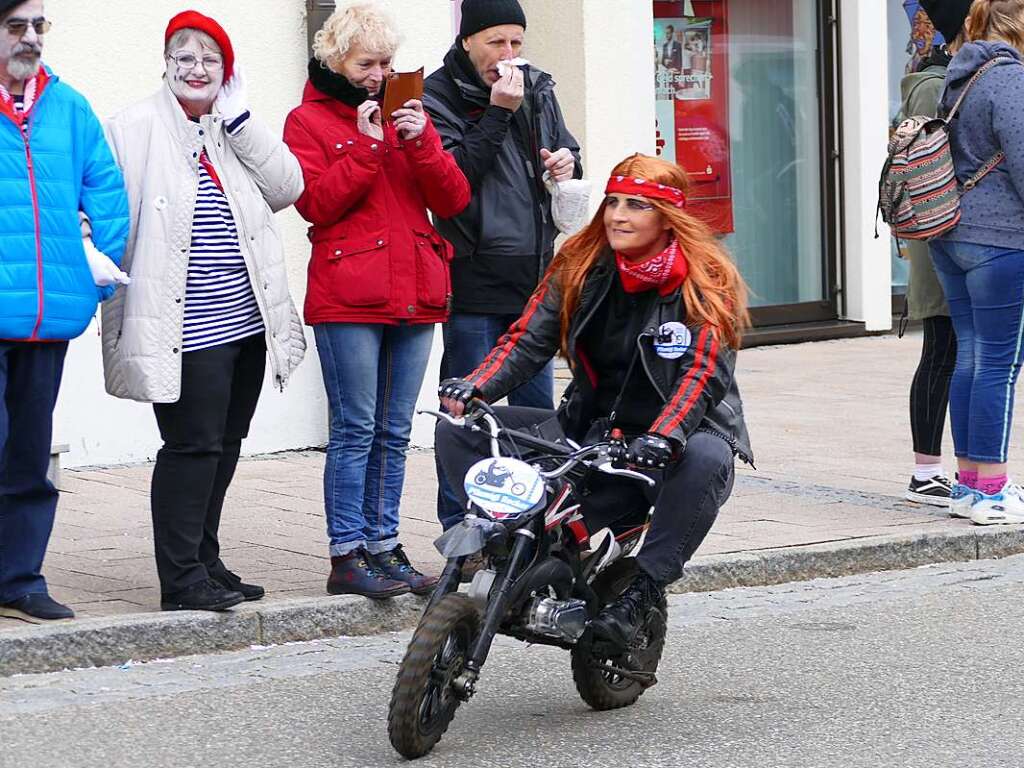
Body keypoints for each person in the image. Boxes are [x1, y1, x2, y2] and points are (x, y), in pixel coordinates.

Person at [436, 153, 752, 651]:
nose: (618, 216)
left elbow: (702, 374)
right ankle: (502, 543)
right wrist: (475, 386)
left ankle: (641, 592)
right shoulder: (580, 263)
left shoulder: (704, 279)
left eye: (637, 206)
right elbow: (527, 340)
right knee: (462, 427)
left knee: (709, 458)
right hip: (591, 428)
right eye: (614, 202)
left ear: (668, 219)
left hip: (675, 438)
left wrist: (664, 436)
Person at [102, 11, 307, 612]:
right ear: (165, 64)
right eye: (184, 56)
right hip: (183, 325)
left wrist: (240, 120)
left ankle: (205, 560)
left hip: (247, 323)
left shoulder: (231, 128)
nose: (196, 68)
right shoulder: (134, 127)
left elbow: (288, 187)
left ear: (227, 72)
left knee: (226, 441)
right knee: (191, 447)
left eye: (209, 59)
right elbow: (109, 211)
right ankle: (181, 578)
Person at [284, 1, 471, 598]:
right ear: (336, 61)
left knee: (393, 429)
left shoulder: (409, 114)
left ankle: (385, 545)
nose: (379, 74)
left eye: (387, 62)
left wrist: (421, 144)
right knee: (355, 428)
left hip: (414, 288)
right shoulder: (305, 122)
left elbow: (454, 197)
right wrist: (366, 147)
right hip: (348, 296)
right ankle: (347, 553)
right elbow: (314, 204)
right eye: (367, 63)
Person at [423, 0, 582, 531]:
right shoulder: (437, 96)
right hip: (472, 275)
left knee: (537, 419)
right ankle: (461, 528)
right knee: (466, 416)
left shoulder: (536, 86)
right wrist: (498, 111)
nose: (508, 55)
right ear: (467, 41)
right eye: (496, 42)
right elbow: (456, 182)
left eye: (517, 42)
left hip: (534, 277)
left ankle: (532, 529)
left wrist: (567, 160)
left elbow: (568, 148)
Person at [0, 0, 129, 623]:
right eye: (15, 26)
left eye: (38, 26)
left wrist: (93, 272)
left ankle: (19, 580)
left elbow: (105, 189)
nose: (30, 38)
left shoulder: (69, 106)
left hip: (46, 318)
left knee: (28, 454)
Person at [930, 0, 1024, 525]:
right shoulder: (1010, 79)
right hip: (1000, 239)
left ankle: (968, 483)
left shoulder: (961, 73)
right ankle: (991, 488)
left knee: (971, 357)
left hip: (952, 233)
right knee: (999, 364)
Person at [900, 0, 970, 508]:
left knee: (961, 353)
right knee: (942, 350)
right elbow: (926, 164)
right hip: (938, 235)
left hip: (956, 232)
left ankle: (971, 469)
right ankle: (926, 471)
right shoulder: (934, 84)